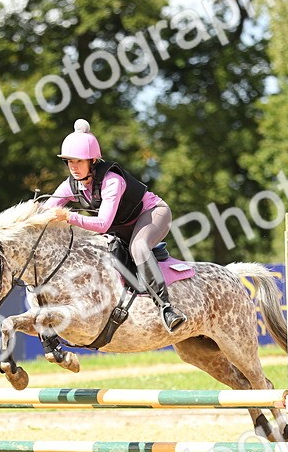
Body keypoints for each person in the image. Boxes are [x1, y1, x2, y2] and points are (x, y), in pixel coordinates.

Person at [42, 119, 187, 332]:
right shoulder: (69, 185)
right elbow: (45, 210)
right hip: (121, 227)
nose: (73, 167)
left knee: (138, 247)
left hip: (152, 214)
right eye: (69, 162)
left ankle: (166, 308)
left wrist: (68, 217)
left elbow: (102, 224)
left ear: (92, 160)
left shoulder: (112, 181)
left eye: (79, 161)